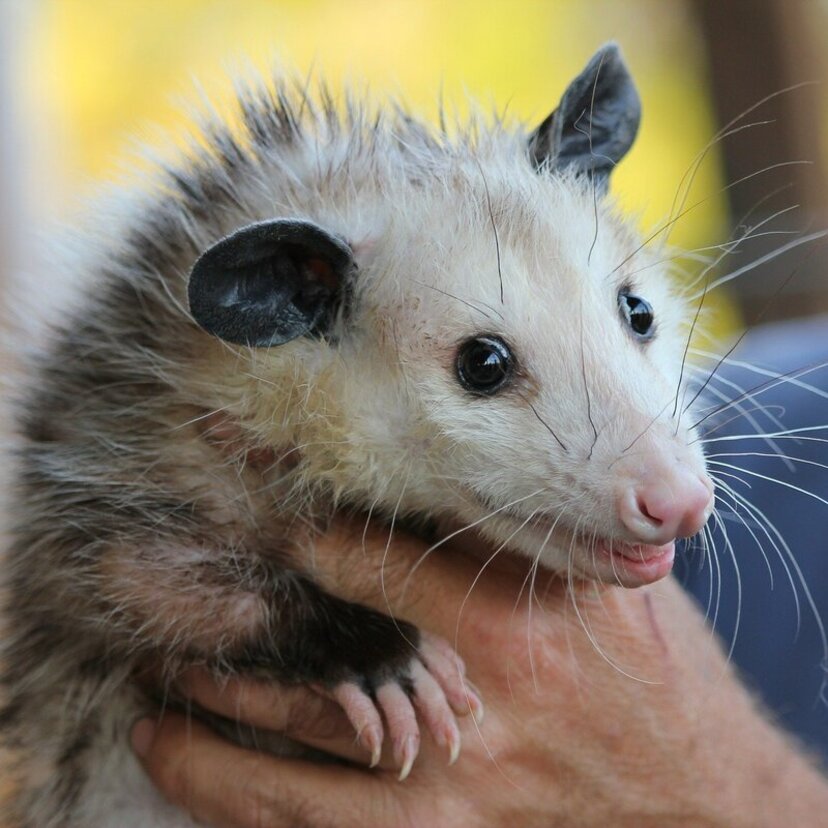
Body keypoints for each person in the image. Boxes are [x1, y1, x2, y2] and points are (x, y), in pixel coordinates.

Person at [131, 318, 828, 827]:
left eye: (636, 319)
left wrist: (731, 797)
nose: (684, 501)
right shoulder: (765, 421)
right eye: (487, 364)